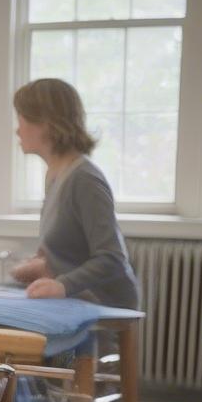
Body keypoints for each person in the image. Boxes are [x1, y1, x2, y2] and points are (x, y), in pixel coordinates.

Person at [10, 78, 138, 309]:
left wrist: (63, 285)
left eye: (22, 119)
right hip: (74, 300)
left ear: (46, 123)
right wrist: (43, 265)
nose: (17, 130)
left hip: (104, 306)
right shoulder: (54, 174)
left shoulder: (84, 179)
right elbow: (70, 254)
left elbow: (112, 259)